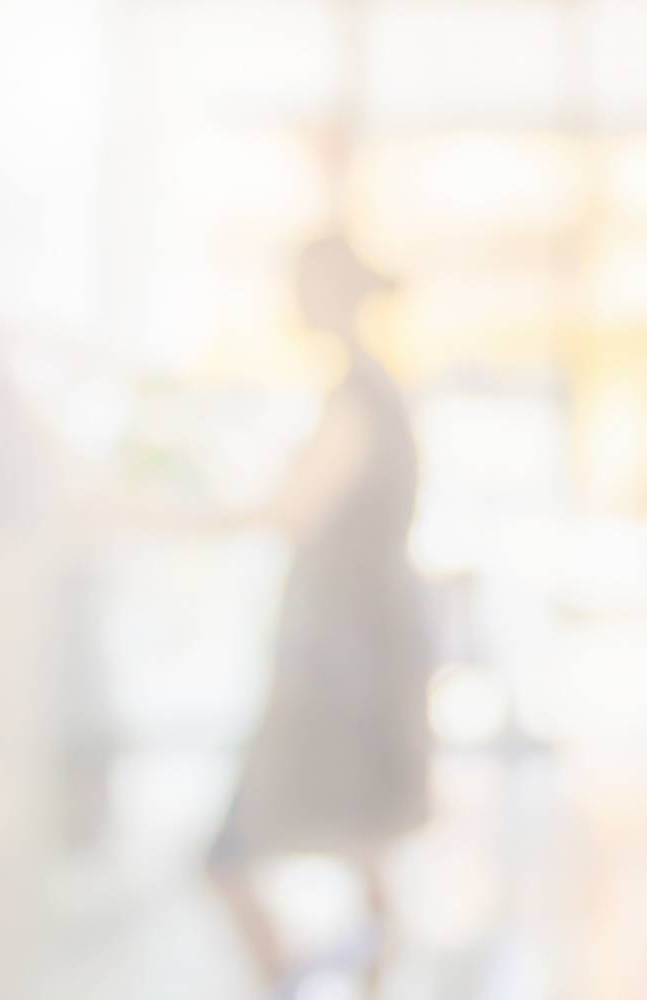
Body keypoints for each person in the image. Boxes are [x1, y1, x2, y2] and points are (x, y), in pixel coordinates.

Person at [207, 230, 433, 999]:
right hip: (357, 649)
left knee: (252, 850)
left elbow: (293, 510)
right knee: (360, 845)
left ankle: (301, 980)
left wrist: (182, 513)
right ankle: (326, 979)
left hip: (344, 657)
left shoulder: (359, 395)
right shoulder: (371, 390)